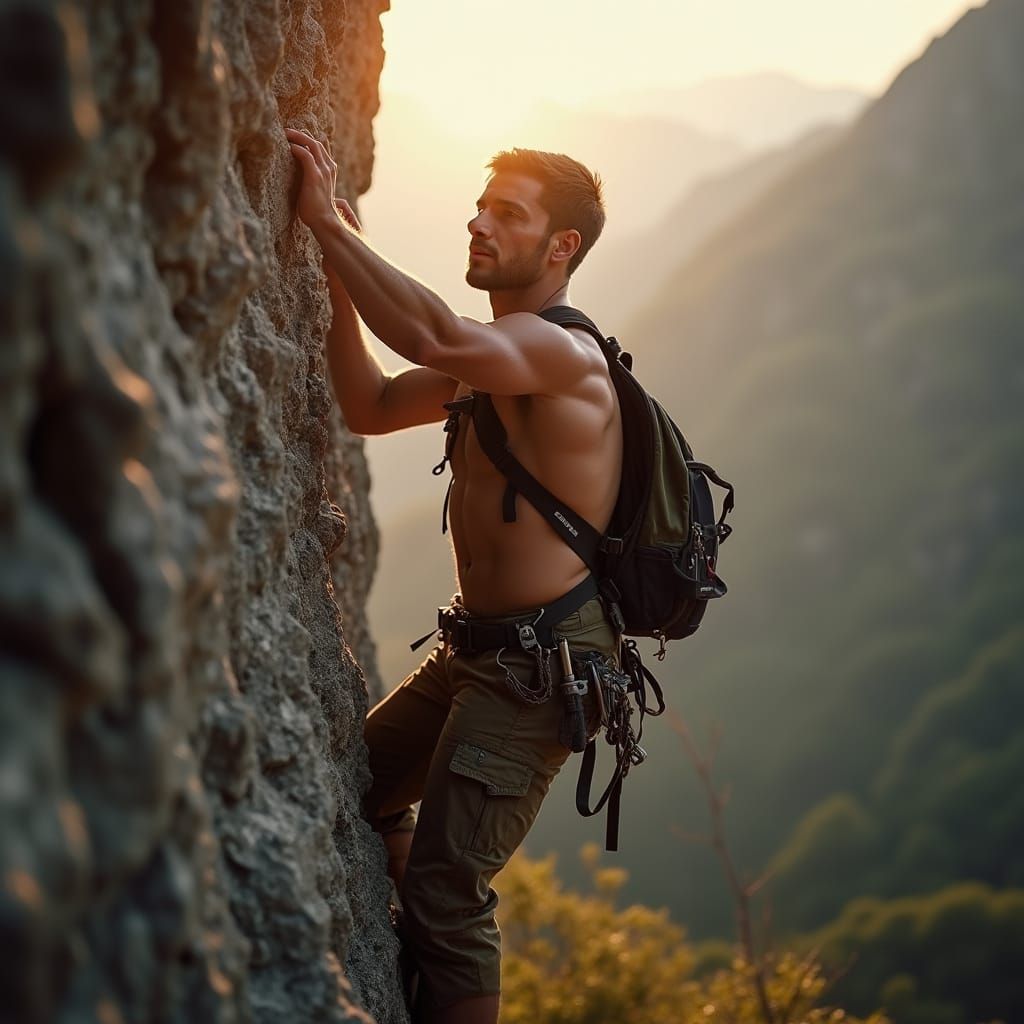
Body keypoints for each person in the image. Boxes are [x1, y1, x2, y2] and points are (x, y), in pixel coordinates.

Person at [287, 127, 622, 1024]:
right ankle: (406, 971)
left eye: (506, 215)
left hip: (539, 668)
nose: (479, 224)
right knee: (359, 789)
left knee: (449, 893)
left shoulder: (559, 356)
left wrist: (329, 227)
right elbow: (370, 404)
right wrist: (332, 280)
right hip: (472, 655)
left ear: (562, 249)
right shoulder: (495, 360)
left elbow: (434, 330)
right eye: (479, 206)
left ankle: (431, 954)